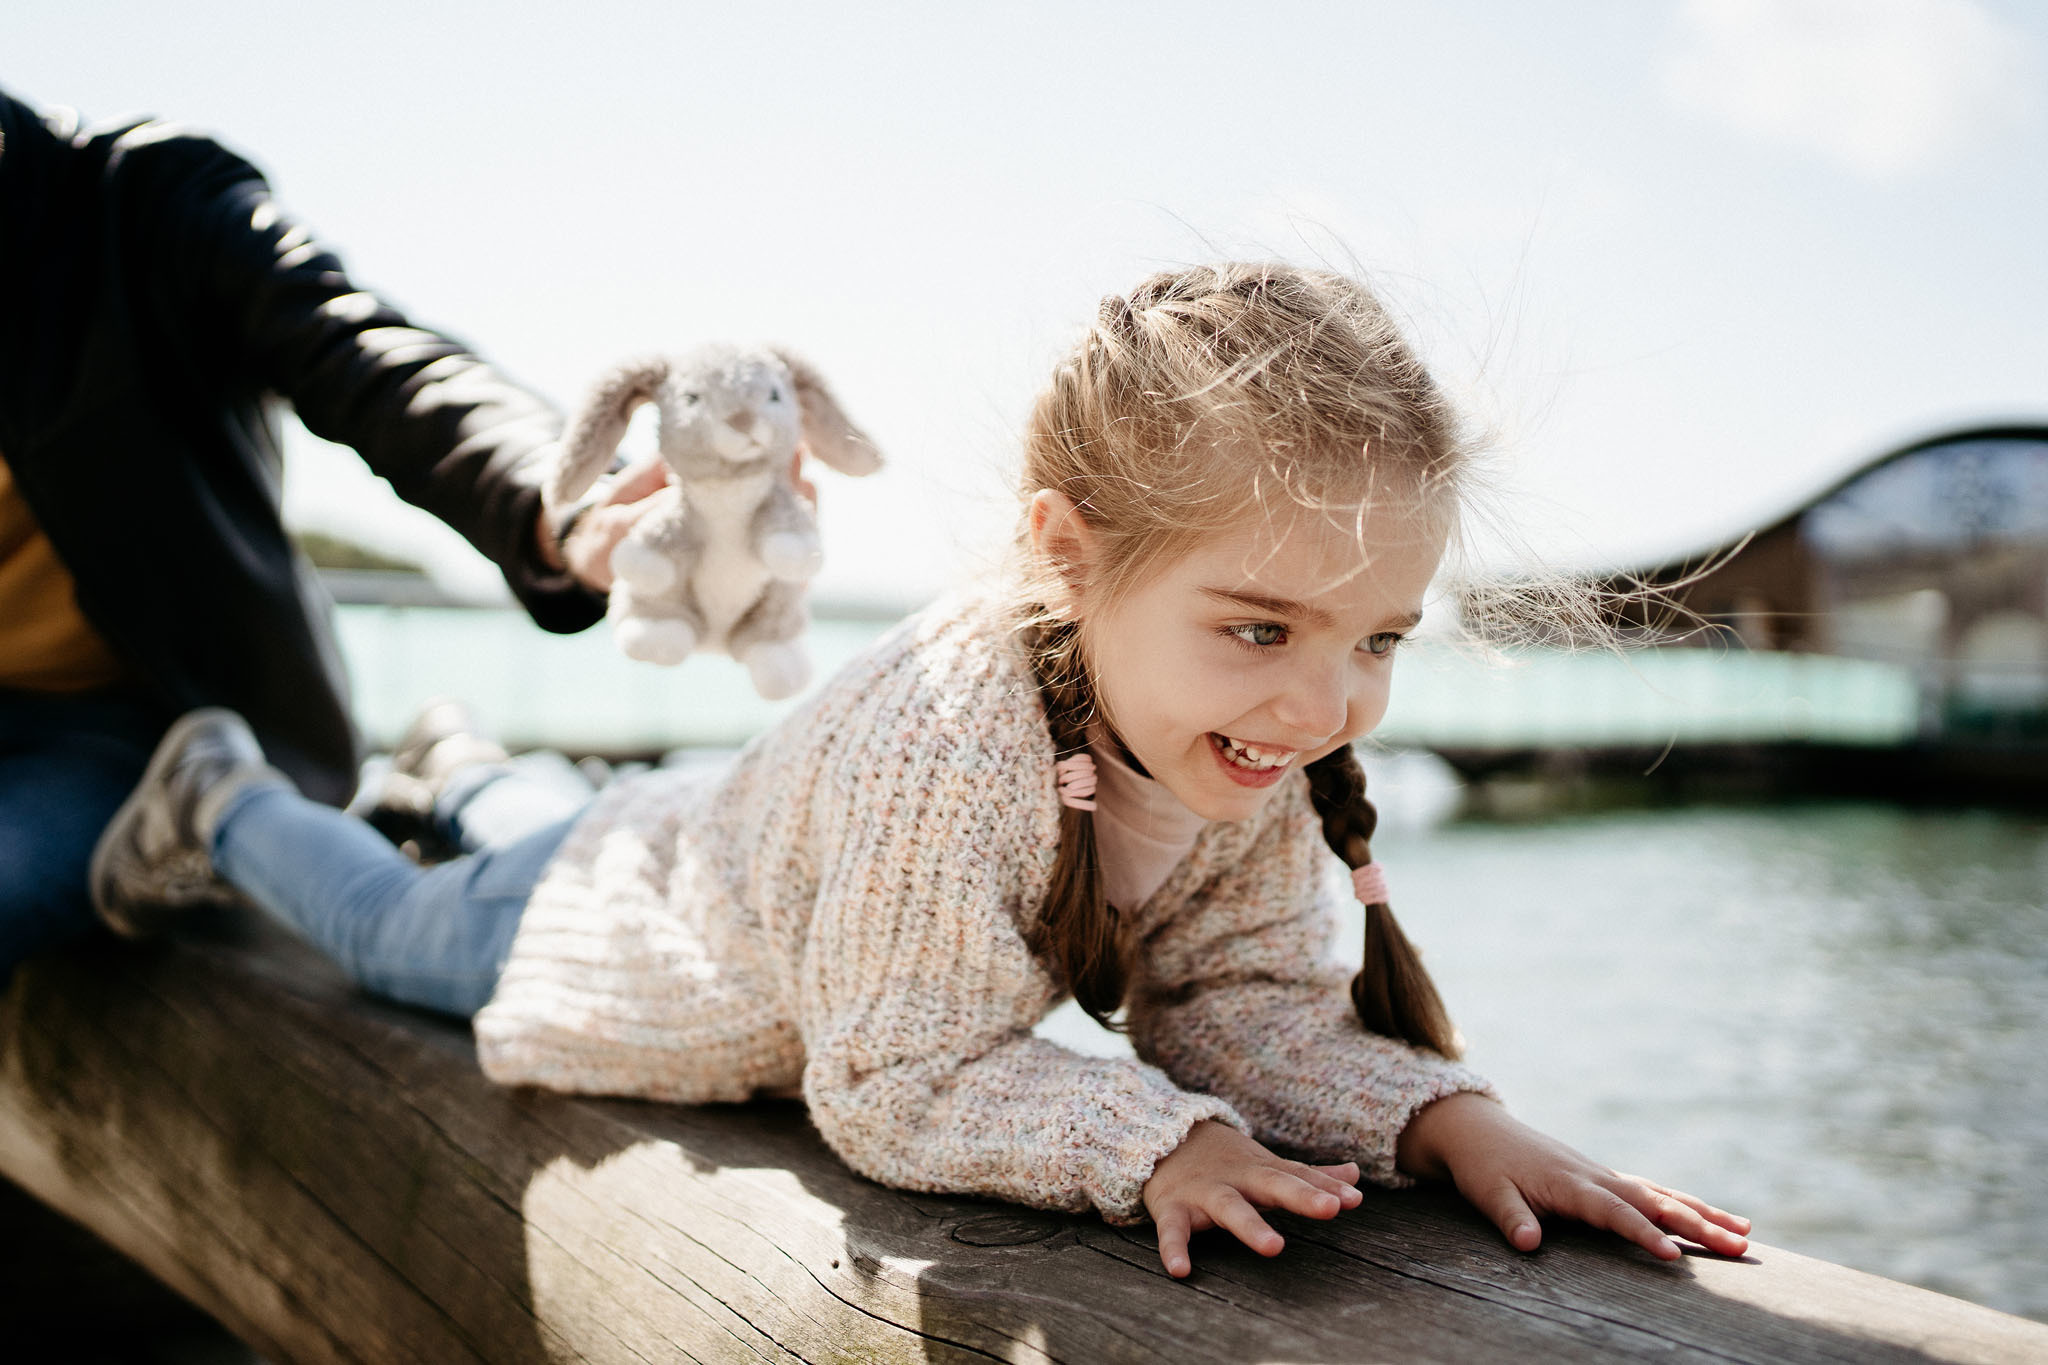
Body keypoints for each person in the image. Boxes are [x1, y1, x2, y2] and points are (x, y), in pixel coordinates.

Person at [90, 263, 1753, 1278]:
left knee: (562, 819)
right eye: (1261, 628)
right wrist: (1150, 1148)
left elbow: (1229, 1010)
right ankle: (226, 789)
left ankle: (468, 762)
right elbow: (891, 1077)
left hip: (680, 831)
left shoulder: (1232, 749)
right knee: (393, 934)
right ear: (1067, 552)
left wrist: (1446, 1120)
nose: (1331, 702)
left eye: (1379, 638)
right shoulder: (946, 746)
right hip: (629, 927)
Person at [0, 87, 662, 982]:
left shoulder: (139, 202)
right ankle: (446, 772)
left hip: (135, 722)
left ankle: (426, 779)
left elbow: (370, 359)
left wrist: (569, 501)